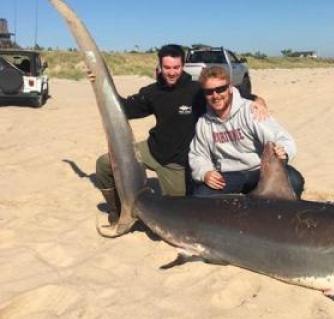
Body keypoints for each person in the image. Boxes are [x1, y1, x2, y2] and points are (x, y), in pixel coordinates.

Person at [94, 44, 267, 228]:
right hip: (152, 150)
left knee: (176, 217)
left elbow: (235, 97)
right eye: (167, 67)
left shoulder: (197, 91)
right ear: (160, 67)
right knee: (104, 164)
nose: (171, 72)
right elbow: (122, 109)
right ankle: (116, 209)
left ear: (182, 66)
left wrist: (258, 101)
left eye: (176, 67)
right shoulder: (151, 92)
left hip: (177, 163)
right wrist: (99, 83)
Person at [189, 66, 304, 198]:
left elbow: (282, 137)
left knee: (294, 180)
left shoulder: (251, 111)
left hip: (259, 171)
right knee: (201, 194)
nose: (215, 95)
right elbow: (198, 155)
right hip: (230, 175)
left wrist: (284, 151)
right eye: (209, 92)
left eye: (220, 89)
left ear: (230, 87)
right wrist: (205, 172)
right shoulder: (204, 123)